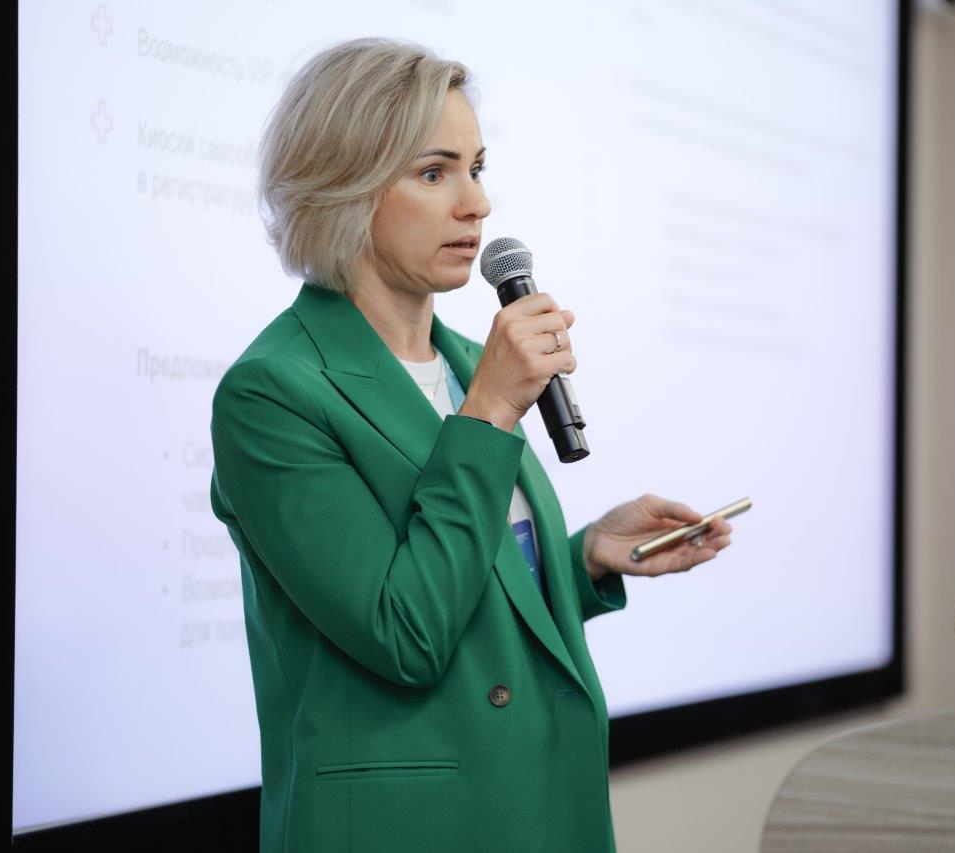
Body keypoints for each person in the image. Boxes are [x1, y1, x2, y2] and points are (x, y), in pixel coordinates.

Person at [209, 38, 733, 852]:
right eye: (434, 173)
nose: (477, 204)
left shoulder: (463, 361)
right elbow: (404, 632)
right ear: (344, 184)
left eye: (477, 168)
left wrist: (584, 557)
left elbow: (468, 587)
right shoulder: (273, 392)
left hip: (539, 804)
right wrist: (488, 411)